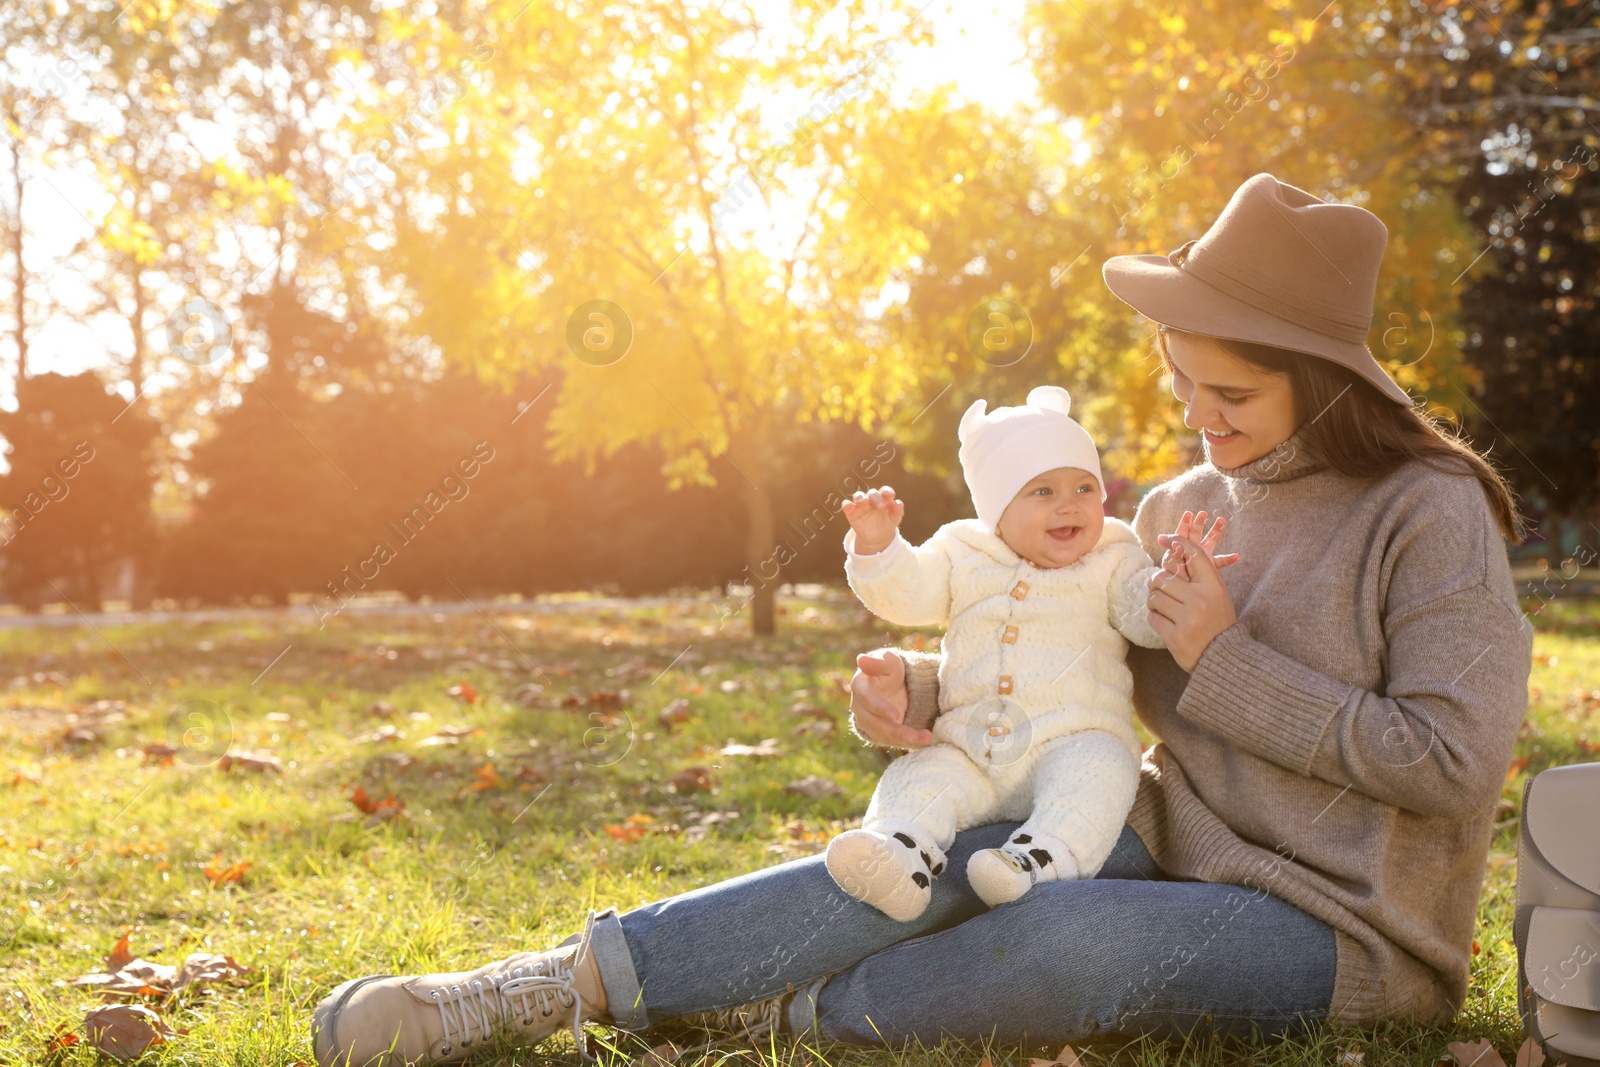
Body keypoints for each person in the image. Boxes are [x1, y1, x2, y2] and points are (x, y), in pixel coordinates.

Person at [311, 172, 1533, 1067]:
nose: (1198, 416)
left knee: (1067, 939)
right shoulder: (1176, 503)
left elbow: (1449, 762)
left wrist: (1221, 655)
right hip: (1159, 830)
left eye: (1230, 392)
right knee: (917, 859)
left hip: (1345, 924)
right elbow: (1081, 660)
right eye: (1180, 385)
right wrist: (928, 694)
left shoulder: (1428, 511)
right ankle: (527, 989)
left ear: (1321, 379)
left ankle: (777, 1007)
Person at [827, 384, 1235, 920]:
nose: (1070, 504)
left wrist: (1174, 584)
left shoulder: (1113, 556)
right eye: (1041, 491)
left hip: (1071, 737)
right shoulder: (963, 551)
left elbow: (1143, 619)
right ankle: (898, 854)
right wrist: (879, 548)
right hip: (970, 743)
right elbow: (907, 594)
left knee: (1102, 774)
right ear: (996, 511)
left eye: (1084, 487)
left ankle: (1036, 861)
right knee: (919, 777)